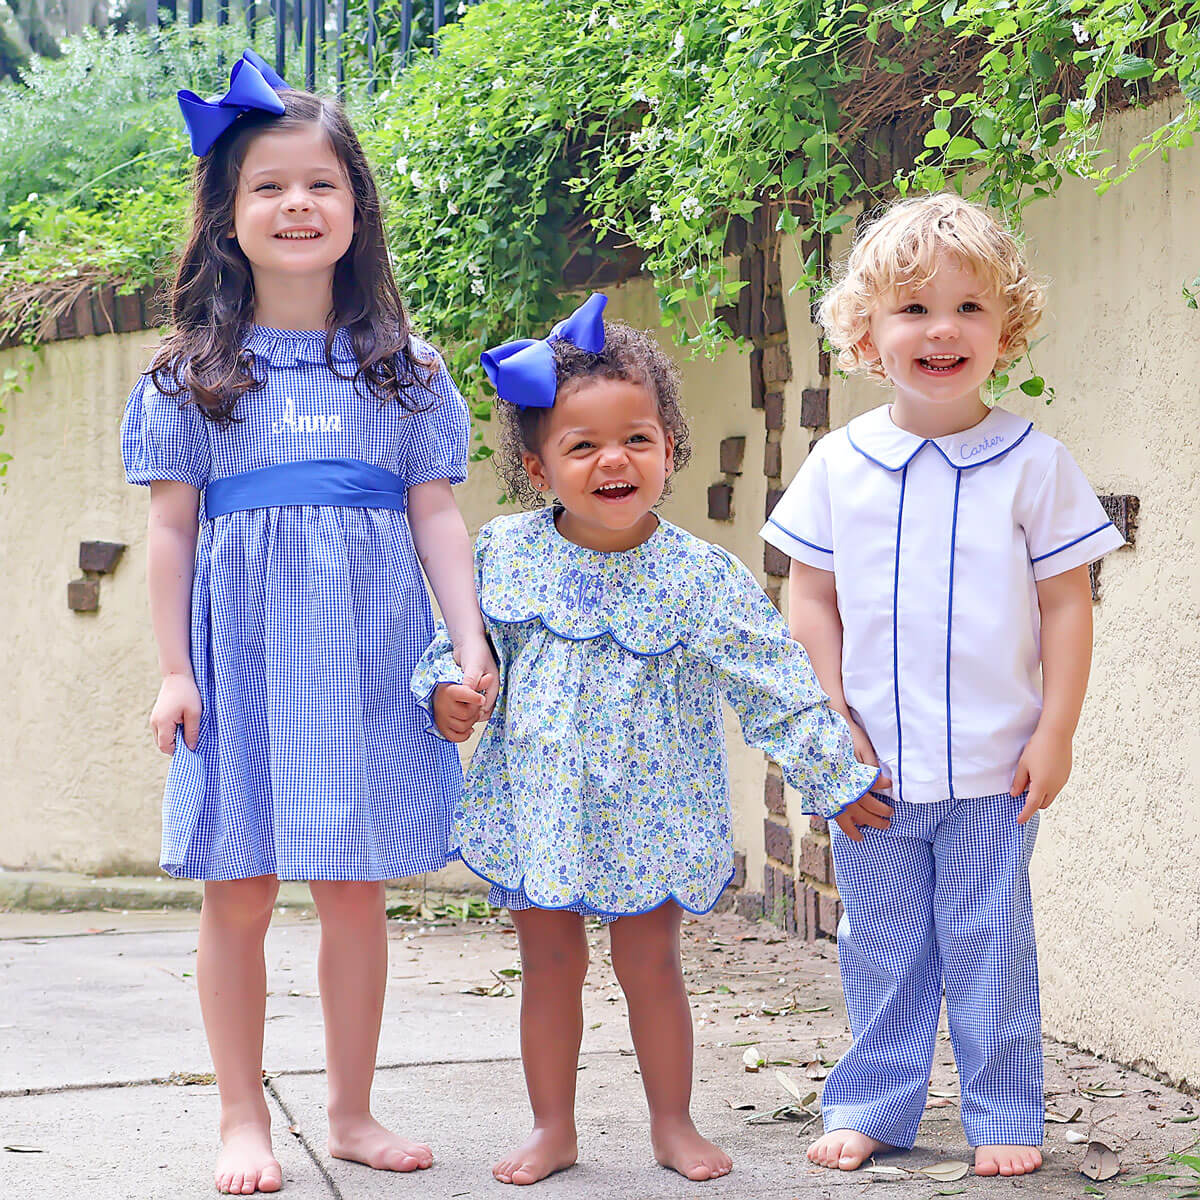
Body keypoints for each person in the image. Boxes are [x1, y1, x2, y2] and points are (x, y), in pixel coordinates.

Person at [121, 51, 496, 1196]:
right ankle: (243, 1117)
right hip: (238, 666)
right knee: (237, 892)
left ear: (355, 208)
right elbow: (174, 535)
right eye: (269, 187)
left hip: (367, 661)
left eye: (320, 184)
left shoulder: (406, 371)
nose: (297, 205)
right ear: (229, 218)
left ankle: (351, 1110)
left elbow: (436, 516)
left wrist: (469, 642)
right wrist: (174, 671)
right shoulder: (192, 375)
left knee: (353, 889)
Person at [413, 294, 883, 1187]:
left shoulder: (703, 577)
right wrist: (448, 694)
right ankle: (554, 1129)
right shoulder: (505, 554)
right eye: (580, 446)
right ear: (537, 466)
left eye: (636, 437)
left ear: (670, 445)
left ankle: (673, 1123)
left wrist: (835, 776)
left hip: (656, 813)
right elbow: (459, 644)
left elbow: (776, 685)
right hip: (539, 807)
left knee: (652, 966)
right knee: (549, 967)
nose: (612, 459)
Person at [761, 193, 1125, 1178]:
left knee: (987, 946)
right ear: (866, 333)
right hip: (869, 773)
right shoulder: (840, 464)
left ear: (1005, 329)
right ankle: (874, 1103)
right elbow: (810, 596)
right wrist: (828, 717)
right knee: (879, 948)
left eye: (969, 307)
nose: (941, 329)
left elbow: (1066, 607)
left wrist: (1058, 732)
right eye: (914, 308)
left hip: (995, 773)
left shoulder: (1035, 465)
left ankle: (1004, 1112)